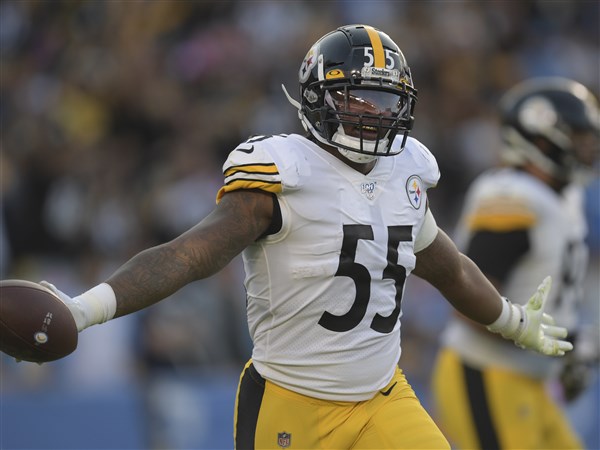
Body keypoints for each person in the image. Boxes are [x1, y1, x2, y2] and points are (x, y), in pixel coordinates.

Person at [37, 25, 573, 449]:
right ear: (319, 97)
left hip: (383, 396)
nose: (373, 113)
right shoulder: (284, 173)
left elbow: (448, 268)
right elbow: (188, 256)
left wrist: (513, 321)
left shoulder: (405, 172)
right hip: (292, 401)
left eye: (384, 101)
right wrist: (85, 309)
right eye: (357, 98)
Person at [431, 77, 600, 450]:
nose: (588, 146)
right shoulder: (511, 196)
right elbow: (468, 307)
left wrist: (570, 348)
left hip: (530, 380)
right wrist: (567, 343)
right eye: (577, 136)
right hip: (487, 372)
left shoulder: (565, 196)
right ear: (541, 140)